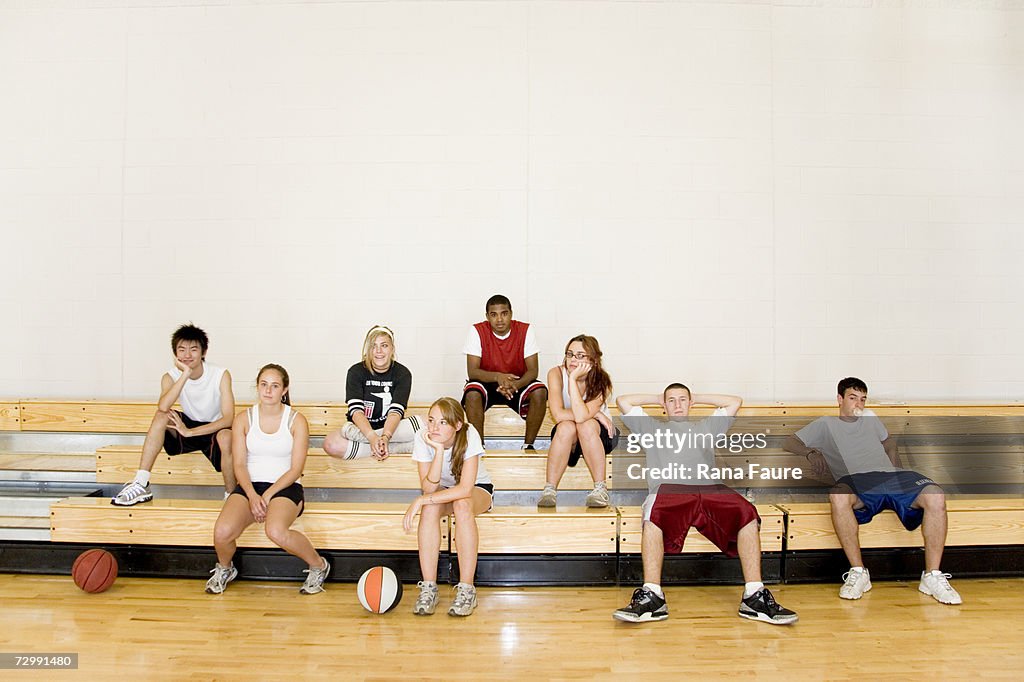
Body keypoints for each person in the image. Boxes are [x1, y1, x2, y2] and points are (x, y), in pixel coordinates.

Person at [612, 384, 798, 625]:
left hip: (710, 489)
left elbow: (734, 401)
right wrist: (659, 397)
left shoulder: (706, 427)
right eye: (671, 401)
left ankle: (754, 595)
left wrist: (695, 397)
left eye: (682, 400)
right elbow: (623, 400)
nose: (677, 404)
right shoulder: (651, 428)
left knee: (747, 512)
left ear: (691, 404)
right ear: (664, 406)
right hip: (670, 490)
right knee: (652, 514)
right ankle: (653, 595)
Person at [783, 377, 961, 605]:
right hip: (856, 481)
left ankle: (932, 576)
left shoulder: (870, 418)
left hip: (891, 477)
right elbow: (789, 442)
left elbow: (889, 443)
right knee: (838, 497)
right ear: (839, 399)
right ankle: (858, 572)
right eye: (853, 398)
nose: (858, 404)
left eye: (863, 399)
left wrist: (897, 471)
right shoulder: (825, 424)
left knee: (935, 494)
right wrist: (811, 453)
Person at [205, 364, 330, 595]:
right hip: (250, 486)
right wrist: (252, 495)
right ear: (257, 387)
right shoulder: (244, 418)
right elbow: (239, 464)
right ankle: (225, 568)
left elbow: (296, 469)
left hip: (285, 487)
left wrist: (267, 496)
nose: (268, 390)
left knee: (276, 531)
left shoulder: (296, 420)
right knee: (221, 532)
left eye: (274, 386)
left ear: (284, 390)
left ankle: (318, 565)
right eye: (264, 385)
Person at [112, 324, 234, 506]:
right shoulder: (170, 376)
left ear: (203, 352)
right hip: (187, 426)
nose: (187, 355)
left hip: (214, 429)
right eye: (181, 350)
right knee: (162, 416)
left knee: (227, 437)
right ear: (175, 353)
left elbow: (228, 418)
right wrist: (185, 374)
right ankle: (141, 482)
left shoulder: (220, 374)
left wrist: (190, 432)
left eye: (193, 349)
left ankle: (231, 496)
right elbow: (163, 406)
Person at [402, 397, 493, 617]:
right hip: (442, 489)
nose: (434, 427)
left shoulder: (470, 434)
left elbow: (464, 490)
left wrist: (422, 500)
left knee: (461, 505)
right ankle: (429, 588)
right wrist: (439, 451)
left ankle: (466, 589)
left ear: (457, 425)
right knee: (431, 508)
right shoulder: (423, 437)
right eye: (431, 420)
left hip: (476, 489)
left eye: (443, 422)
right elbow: (429, 489)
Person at [539, 335, 618, 508]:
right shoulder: (556, 373)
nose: (573, 359)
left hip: (601, 434)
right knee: (566, 427)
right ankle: (549, 489)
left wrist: (573, 379)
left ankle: (600, 489)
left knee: (586, 425)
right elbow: (558, 415)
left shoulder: (602, 380)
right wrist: (595, 414)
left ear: (594, 360)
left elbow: (582, 418)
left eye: (580, 356)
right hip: (571, 435)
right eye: (570, 354)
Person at [462, 294, 547, 449]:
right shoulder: (477, 330)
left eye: (504, 313)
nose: (499, 319)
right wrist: (498, 376)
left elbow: (533, 370)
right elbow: (472, 371)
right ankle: (478, 447)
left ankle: (528, 445)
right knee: (472, 392)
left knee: (540, 391)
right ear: (487, 316)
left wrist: (515, 384)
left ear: (511, 314)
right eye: (494, 315)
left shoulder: (525, 330)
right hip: (487, 382)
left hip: (517, 383)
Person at [323, 325, 421, 460]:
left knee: (427, 423)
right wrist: (372, 437)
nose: (378, 351)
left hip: (392, 432)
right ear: (368, 350)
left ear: (392, 348)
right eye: (373, 346)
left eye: (384, 345)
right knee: (331, 443)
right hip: (363, 431)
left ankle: (381, 445)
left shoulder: (402, 373)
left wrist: (385, 437)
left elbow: (395, 412)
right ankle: (392, 447)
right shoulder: (356, 372)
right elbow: (356, 411)